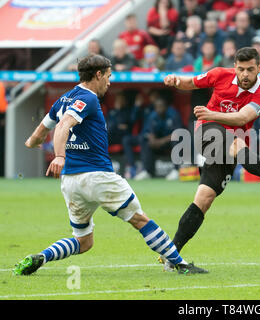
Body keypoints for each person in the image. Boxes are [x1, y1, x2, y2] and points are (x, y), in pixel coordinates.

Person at [13, 54, 206, 275]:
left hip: (71, 182)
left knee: (84, 241)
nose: (110, 82)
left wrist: (33, 141)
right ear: (98, 74)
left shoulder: (64, 98)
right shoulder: (90, 98)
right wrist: (59, 156)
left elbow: (43, 127)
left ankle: (42, 256)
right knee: (140, 220)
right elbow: (64, 124)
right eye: (108, 76)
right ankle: (180, 265)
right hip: (97, 176)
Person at [160, 47, 260, 271]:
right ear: (234, 67)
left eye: (250, 69)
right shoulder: (220, 74)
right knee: (238, 143)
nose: (245, 74)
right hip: (207, 131)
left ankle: (172, 255)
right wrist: (175, 80)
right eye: (240, 69)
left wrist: (212, 113)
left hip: (229, 136)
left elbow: (242, 118)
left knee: (205, 198)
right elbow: (190, 82)